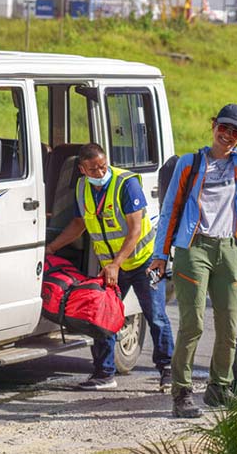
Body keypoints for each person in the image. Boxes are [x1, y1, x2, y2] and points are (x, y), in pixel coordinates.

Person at [151, 57, 237, 418]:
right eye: (224, 128)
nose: (228, 136)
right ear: (213, 126)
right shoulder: (190, 163)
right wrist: (160, 254)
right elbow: (170, 211)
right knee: (193, 322)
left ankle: (219, 388)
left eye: (235, 133)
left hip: (229, 248)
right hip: (192, 249)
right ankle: (182, 392)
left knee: (229, 325)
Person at [45, 143, 174, 391]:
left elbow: (135, 230)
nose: (100, 172)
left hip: (143, 262)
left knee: (155, 316)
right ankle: (104, 373)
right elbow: (78, 224)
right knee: (101, 314)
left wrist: (116, 264)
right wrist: (52, 247)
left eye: (103, 166)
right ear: (82, 169)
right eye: (93, 169)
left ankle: (167, 370)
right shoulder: (83, 188)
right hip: (112, 266)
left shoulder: (126, 184)